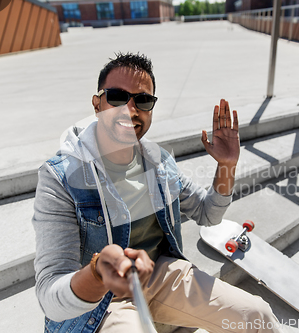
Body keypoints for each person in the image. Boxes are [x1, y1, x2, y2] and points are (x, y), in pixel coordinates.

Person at [32, 52, 282, 333]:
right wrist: (98, 271)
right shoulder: (62, 176)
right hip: (101, 303)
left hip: (159, 277)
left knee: (258, 316)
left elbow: (208, 214)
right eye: (116, 96)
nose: (130, 109)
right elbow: (50, 295)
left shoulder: (158, 161)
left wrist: (226, 165)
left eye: (143, 100)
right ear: (96, 103)